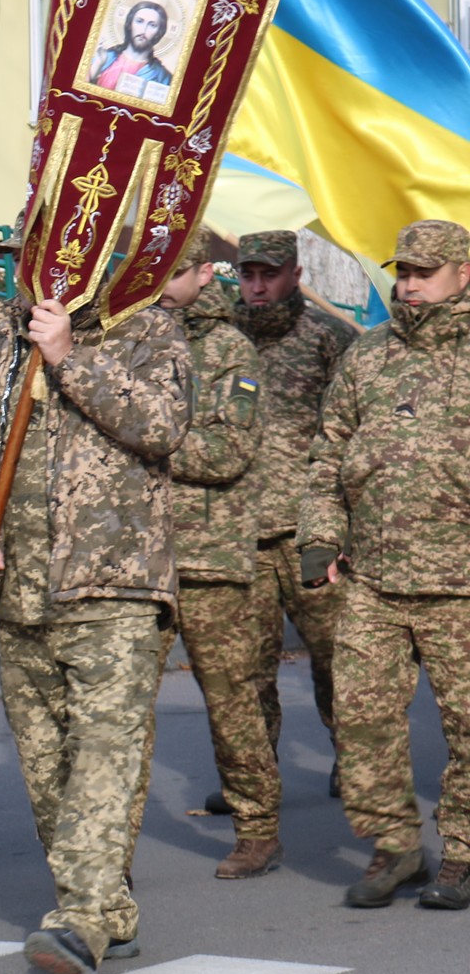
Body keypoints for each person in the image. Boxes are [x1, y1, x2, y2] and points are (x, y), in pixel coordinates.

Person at [0, 261, 189, 974]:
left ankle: (79, 917)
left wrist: (72, 357)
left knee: (105, 753)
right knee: (51, 772)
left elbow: (163, 428)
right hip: (20, 596)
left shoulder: (145, 333)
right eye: (28, 255)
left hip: (115, 588)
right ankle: (107, 904)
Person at [300, 219, 470, 911]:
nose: (409, 284)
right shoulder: (368, 356)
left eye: (425, 271)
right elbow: (326, 454)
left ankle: (461, 851)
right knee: (363, 718)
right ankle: (394, 844)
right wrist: (320, 535)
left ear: (463, 273)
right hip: (372, 576)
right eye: (402, 271)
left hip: (460, 582)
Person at [140, 237, 273, 878]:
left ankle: (257, 826)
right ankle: (109, 843)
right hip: (136, 554)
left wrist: (145, 438)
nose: (162, 283)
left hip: (209, 554)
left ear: (201, 275)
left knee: (230, 698)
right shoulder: (127, 339)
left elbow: (227, 451)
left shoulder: (228, 350)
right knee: (126, 704)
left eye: (175, 272)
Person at [229, 229, 358, 805]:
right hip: (242, 534)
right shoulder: (223, 339)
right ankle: (257, 777)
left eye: (270, 274)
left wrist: (344, 526)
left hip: (311, 532)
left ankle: (355, 760)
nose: (258, 287)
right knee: (246, 670)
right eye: (249, 275)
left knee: (337, 657)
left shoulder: (329, 338)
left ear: (295, 275)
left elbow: (354, 433)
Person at [88, 1, 173, 98]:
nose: (143, 30)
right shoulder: (104, 58)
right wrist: (97, 66)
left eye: (152, 25)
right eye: (139, 21)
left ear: (159, 32)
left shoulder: (163, 77)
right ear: (129, 24)